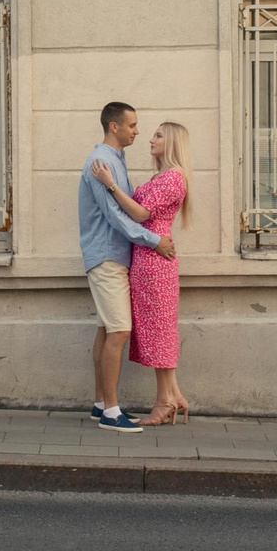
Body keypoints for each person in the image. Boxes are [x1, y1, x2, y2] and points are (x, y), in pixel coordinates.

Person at [78, 101, 175, 431]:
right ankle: (111, 412)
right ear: (114, 127)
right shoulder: (100, 161)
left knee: (107, 330)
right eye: (132, 125)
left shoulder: (116, 162)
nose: (138, 131)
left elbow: (131, 208)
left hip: (117, 257)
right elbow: (115, 217)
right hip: (106, 257)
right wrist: (153, 240)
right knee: (120, 330)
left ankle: (100, 404)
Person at [90, 120, 193, 425]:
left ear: (171, 143)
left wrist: (111, 185)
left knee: (159, 329)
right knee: (157, 328)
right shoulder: (162, 177)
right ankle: (172, 395)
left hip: (154, 258)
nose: (150, 138)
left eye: (158, 135)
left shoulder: (172, 178)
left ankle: (166, 401)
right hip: (147, 257)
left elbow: (141, 214)